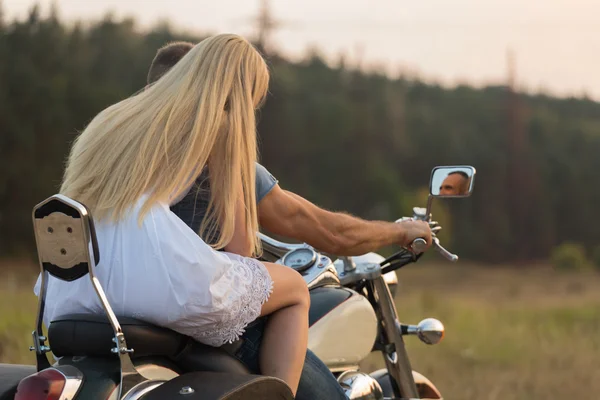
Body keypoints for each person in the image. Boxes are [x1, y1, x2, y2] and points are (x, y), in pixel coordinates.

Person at [146, 41, 433, 400]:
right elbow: (328, 231)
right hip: (209, 320)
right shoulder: (221, 153)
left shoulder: (131, 153)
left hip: (130, 312)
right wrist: (399, 230)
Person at [35, 34, 311, 396]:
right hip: (150, 272)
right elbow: (240, 247)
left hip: (79, 280)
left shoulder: (112, 117)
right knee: (295, 289)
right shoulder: (215, 123)